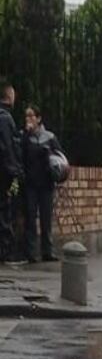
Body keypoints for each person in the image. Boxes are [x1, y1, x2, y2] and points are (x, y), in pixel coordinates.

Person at [21, 105, 62, 263]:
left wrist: (49, 155)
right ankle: (30, 252)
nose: (28, 120)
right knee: (30, 218)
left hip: (46, 184)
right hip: (31, 184)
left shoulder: (50, 137)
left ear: (38, 119)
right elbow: (21, 156)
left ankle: (47, 251)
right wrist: (26, 134)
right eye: (26, 116)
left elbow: (59, 158)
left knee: (46, 218)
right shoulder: (25, 137)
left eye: (31, 116)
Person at [0, 83, 22, 263]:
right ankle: (5, 253)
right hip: (4, 173)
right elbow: (8, 147)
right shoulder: (5, 118)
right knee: (5, 211)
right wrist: (15, 171)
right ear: (9, 96)